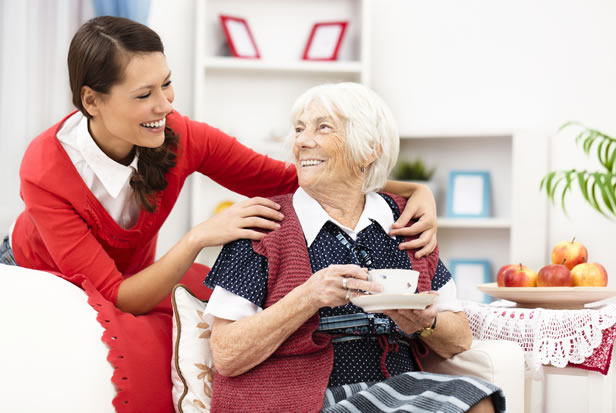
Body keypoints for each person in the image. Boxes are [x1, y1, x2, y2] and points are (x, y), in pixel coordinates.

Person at [1, 16, 439, 413]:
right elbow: (119, 296)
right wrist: (197, 237)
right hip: (44, 273)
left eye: (166, 85)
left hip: (134, 278)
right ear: (92, 101)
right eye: (144, 95)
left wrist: (410, 190)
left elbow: (290, 178)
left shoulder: (181, 136)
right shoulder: (44, 169)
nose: (166, 105)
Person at [204, 82, 506, 412]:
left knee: (479, 400)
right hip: (299, 399)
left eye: (323, 127)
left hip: (395, 390)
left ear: (370, 149)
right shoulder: (264, 226)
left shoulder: (405, 221)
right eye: (300, 129)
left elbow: (459, 337)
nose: (302, 141)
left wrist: (424, 324)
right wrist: (308, 297)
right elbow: (226, 354)